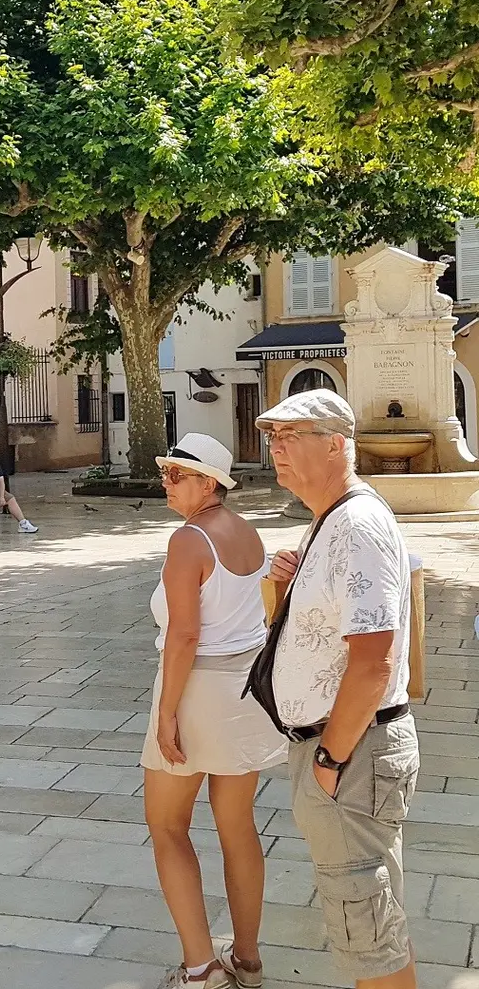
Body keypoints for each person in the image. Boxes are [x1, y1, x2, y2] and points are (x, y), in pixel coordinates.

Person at [258, 391, 418, 989]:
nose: (275, 448)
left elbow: (373, 660)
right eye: (272, 436)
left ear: (335, 444)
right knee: (372, 923)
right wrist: (302, 582)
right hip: (345, 750)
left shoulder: (356, 524)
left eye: (289, 435)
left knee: (365, 933)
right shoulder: (332, 520)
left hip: (349, 752)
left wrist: (329, 760)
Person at [143, 434, 286, 989]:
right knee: (237, 826)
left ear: (210, 482)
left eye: (176, 473)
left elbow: (183, 636)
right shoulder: (247, 532)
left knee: (167, 826)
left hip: (196, 690)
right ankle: (247, 960)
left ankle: (200, 967)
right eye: (166, 471)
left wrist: (166, 713)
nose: (166, 481)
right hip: (244, 691)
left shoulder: (188, 540)